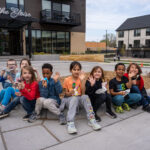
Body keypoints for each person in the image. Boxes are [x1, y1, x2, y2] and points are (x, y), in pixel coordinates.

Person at [60, 61, 101, 134]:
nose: (76, 71)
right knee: (74, 98)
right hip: (69, 99)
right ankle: (70, 122)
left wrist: (82, 81)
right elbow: (64, 94)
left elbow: (82, 93)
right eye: (74, 69)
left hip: (78, 98)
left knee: (85, 96)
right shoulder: (67, 80)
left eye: (78, 69)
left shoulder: (81, 79)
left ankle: (92, 120)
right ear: (70, 70)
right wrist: (69, 93)